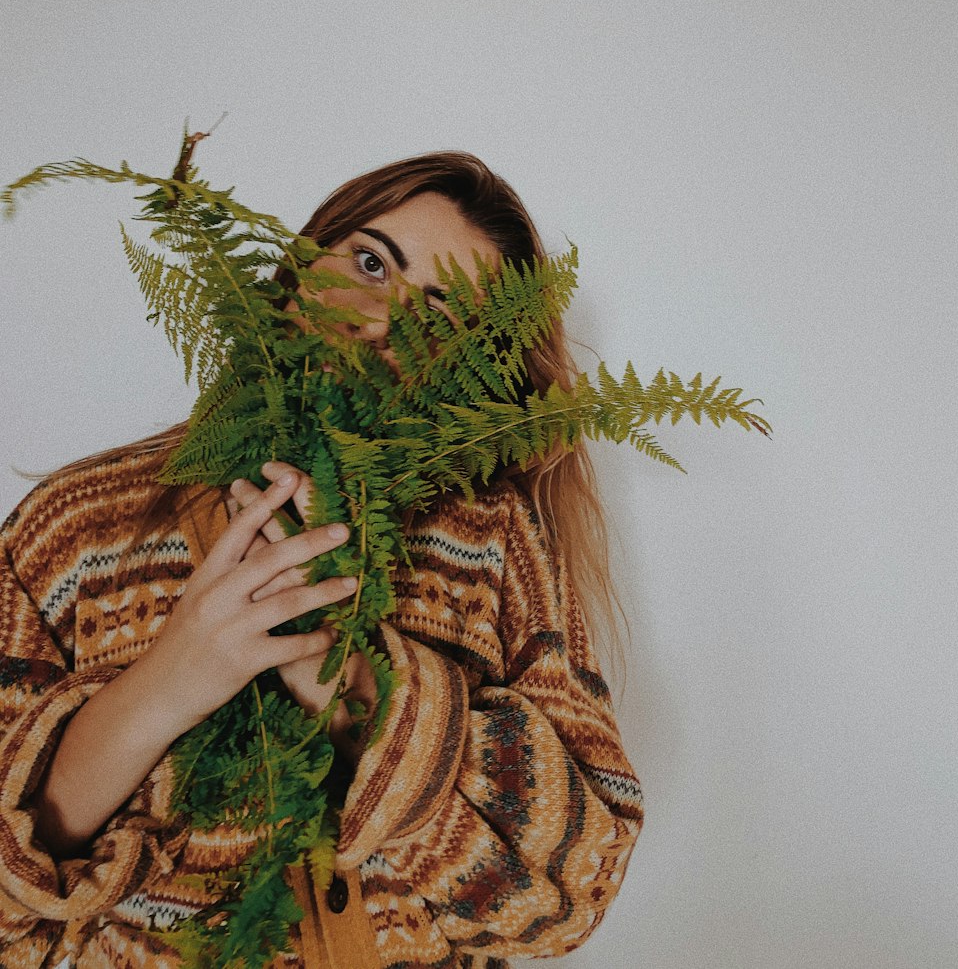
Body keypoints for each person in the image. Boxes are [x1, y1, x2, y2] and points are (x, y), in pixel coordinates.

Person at [0, 151, 644, 969]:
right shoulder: (76, 528)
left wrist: (362, 687)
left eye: (440, 317)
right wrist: (167, 683)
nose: (380, 321)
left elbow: (575, 891)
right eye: (370, 261)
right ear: (297, 264)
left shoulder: (490, 540)